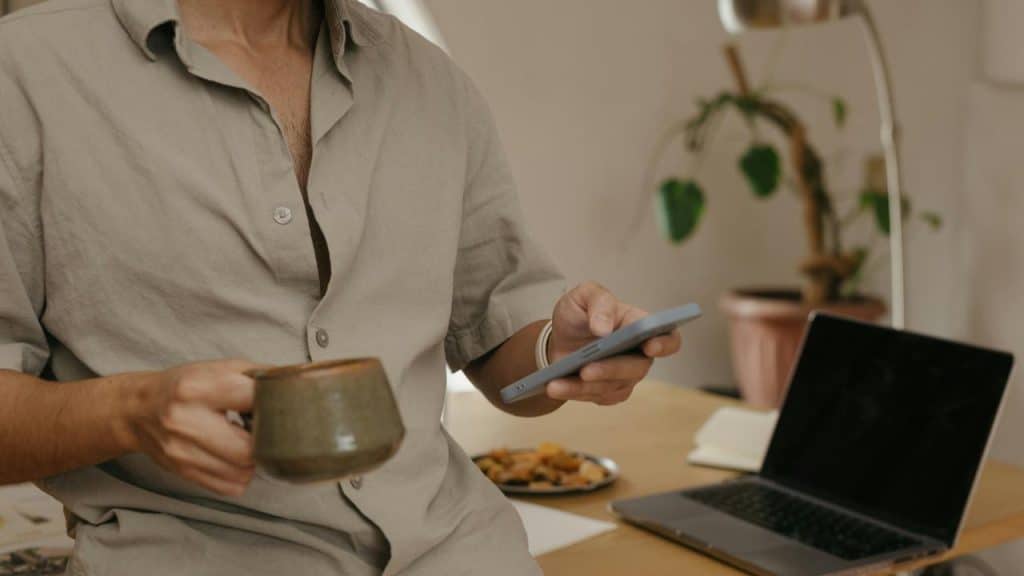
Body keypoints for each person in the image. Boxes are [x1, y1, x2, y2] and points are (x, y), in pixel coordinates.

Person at [0, 0, 682, 574]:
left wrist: (558, 348)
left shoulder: (434, 83)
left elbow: (499, 348)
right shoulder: (26, 72)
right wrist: (133, 408)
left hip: (466, 553)